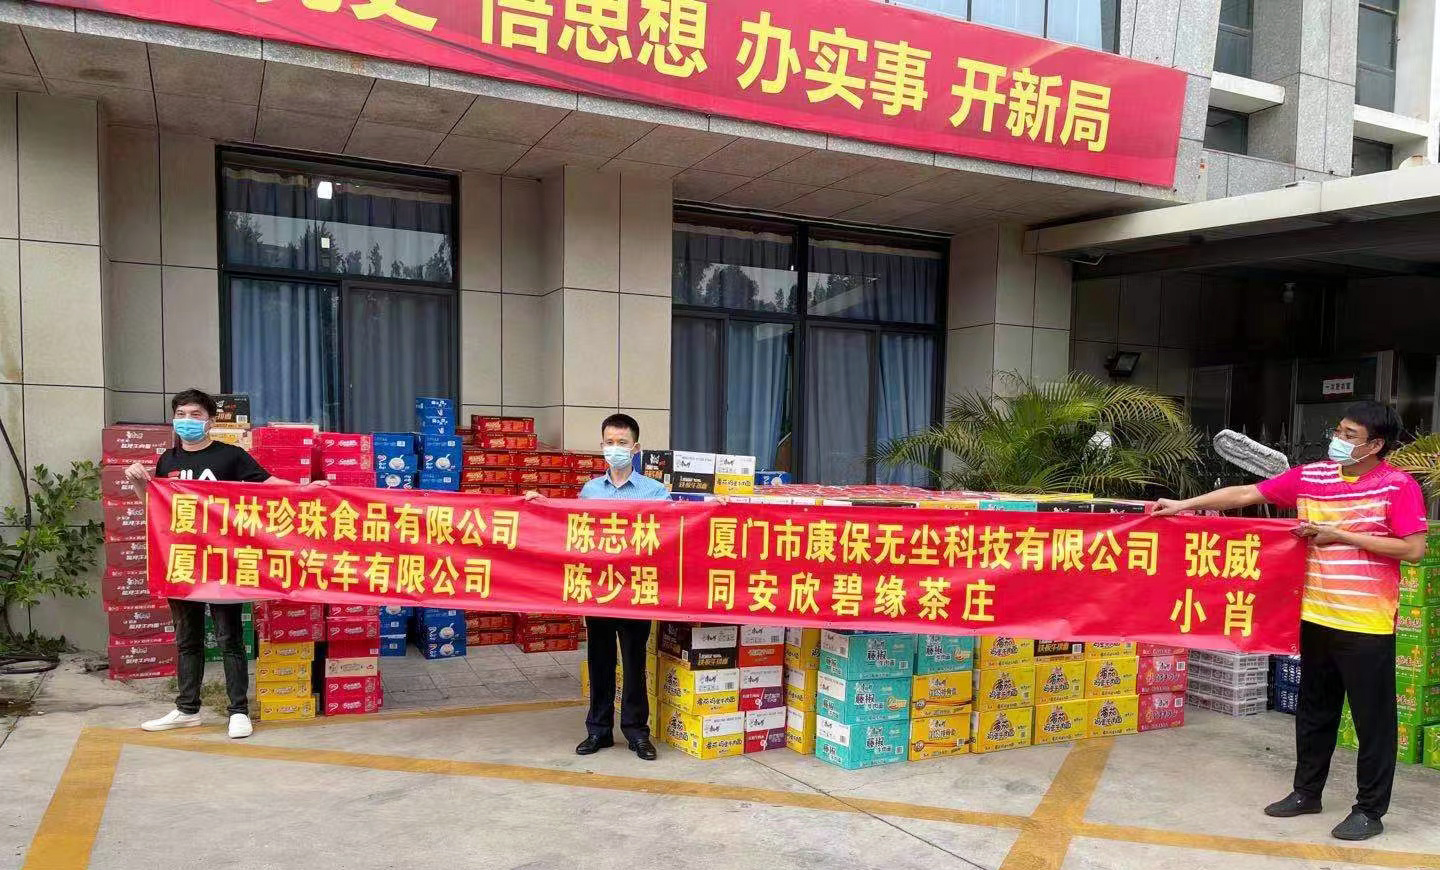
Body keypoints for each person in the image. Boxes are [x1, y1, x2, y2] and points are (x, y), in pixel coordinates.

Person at [1154, 401, 1427, 842]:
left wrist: (1340, 536)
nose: (1338, 440)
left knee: (1372, 721)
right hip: (1314, 614)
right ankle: (1306, 792)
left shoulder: (1398, 486)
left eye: (1350, 436)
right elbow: (1247, 494)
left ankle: (1369, 810)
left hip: (1366, 622)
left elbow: (1413, 549)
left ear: (1375, 445)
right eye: (1338, 431)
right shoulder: (1313, 476)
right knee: (1314, 710)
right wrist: (1183, 505)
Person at [125, 388, 323, 739]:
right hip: (183, 561)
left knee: (229, 638)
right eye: (181, 414)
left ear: (211, 421)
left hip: (223, 561)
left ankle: (238, 710)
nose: (187, 421)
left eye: (195, 415)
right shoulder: (168, 460)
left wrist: (306, 490)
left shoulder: (230, 456)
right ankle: (187, 709)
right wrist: (140, 485)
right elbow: (155, 509)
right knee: (187, 639)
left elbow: (269, 486)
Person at [527, 413, 667, 761]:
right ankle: (598, 731)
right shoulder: (590, 491)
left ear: (636, 448)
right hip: (599, 591)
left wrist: (713, 508)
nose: (615, 448)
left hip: (635, 591)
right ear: (602, 445)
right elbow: (569, 527)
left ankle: (637, 733)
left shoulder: (654, 492)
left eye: (622, 443)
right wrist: (543, 505)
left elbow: (678, 527)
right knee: (599, 661)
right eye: (609, 442)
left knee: (634, 664)